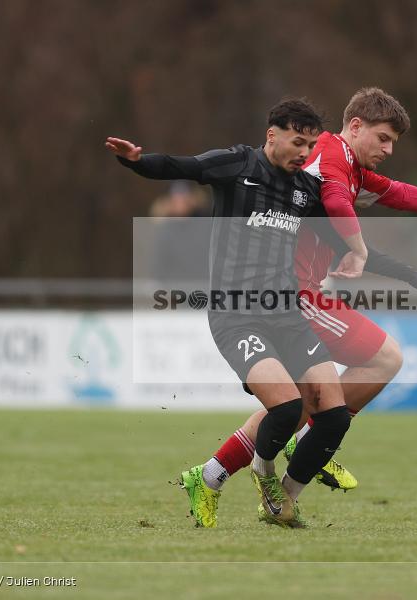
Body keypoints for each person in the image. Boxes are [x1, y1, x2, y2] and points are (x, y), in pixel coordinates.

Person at [185, 88, 417, 526]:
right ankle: (296, 463)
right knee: (380, 360)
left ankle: (214, 474)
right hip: (292, 293)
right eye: (384, 138)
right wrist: (360, 249)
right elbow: (334, 202)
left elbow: (399, 193)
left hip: (303, 291)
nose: (389, 150)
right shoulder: (329, 154)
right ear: (355, 127)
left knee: (301, 402)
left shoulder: (350, 167)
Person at [106, 98, 355, 529]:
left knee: (332, 417)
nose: (304, 152)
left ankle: (217, 481)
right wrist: (137, 162)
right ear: (271, 135)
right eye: (297, 142)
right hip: (236, 315)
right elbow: (183, 166)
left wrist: (384, 261)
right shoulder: (238, 165)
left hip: (286, 314)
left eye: (311, 145)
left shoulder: (305, 190)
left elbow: (340, 227)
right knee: (286, 409)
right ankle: (265, 477)